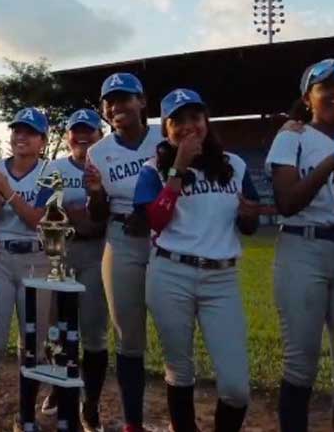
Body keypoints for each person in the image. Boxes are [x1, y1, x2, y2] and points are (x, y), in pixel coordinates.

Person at [134, 89, 260, 432]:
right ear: (166, 130)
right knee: (179, 369)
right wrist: (179, 167)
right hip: (170, 272)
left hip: (221, 278)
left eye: (195, 118)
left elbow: (249, 225)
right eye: (178, 121)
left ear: (207, 122)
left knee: (235, 386)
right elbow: (155, 221)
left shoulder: (235, 165)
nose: (189, 126)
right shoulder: (152, 170)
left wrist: (250, 215)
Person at [85, 72, 163, 431]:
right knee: (128, 337)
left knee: (175, 330)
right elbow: (97, 215)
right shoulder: (98, 151)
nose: (117, 106)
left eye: (125, 97)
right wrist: (97, 194)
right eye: (110, 101)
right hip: (121, 238)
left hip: (169, 237)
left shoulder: (166, 135)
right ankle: (133, 423)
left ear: (143, 101)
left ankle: (181, 417)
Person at [0, 107, 52, 432]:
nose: (21, 136)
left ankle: (26, 418)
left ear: (42, 141)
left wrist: (7, 191)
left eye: (30, 132)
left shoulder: (50, 171)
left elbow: (36, 219)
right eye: (17, 130)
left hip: (37, 258)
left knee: (32, 344)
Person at [265, 58, 334, 432]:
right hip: (303, 248)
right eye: (327, 87)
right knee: (301, 361)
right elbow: (287, 202)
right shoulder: (294, 136)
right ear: (308, 97)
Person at [37, 108, 108, 432]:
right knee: (60, 332)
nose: (82, 136)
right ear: (67, 136)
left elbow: (105, 217)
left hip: (96, 255)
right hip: (61, 256)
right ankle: (60, 390)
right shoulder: (55, 167)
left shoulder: (108, 164)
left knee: (94, 333)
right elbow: (43, 214)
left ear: (99, 135)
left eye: (89, 130)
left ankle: (90, 403)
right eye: (76, 130)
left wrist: (75, 213)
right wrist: (74, 217)